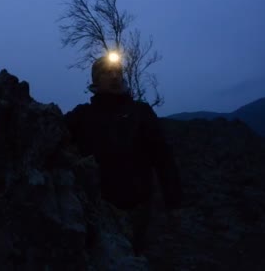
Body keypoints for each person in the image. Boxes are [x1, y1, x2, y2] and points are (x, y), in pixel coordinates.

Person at [65, 53, 182, 256]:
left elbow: (163, 157)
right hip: (99, 211)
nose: (115, 76)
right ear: (95, 80)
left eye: (118, 72)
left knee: (135, 256)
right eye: (107, 72)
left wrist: (173, 202)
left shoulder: (140, 112)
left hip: (137, 208)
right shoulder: (83, 116)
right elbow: (51, 133)